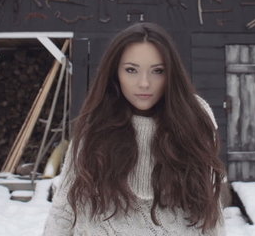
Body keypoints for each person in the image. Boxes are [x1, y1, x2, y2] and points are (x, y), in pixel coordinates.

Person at [43, 22, 226, 236]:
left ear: (171, 74)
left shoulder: (194, 118)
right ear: (115, 72)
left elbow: (211, 211)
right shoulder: (96, 124)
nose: (144, 83)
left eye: (157, 71)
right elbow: (64, 208)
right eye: (131, 70)